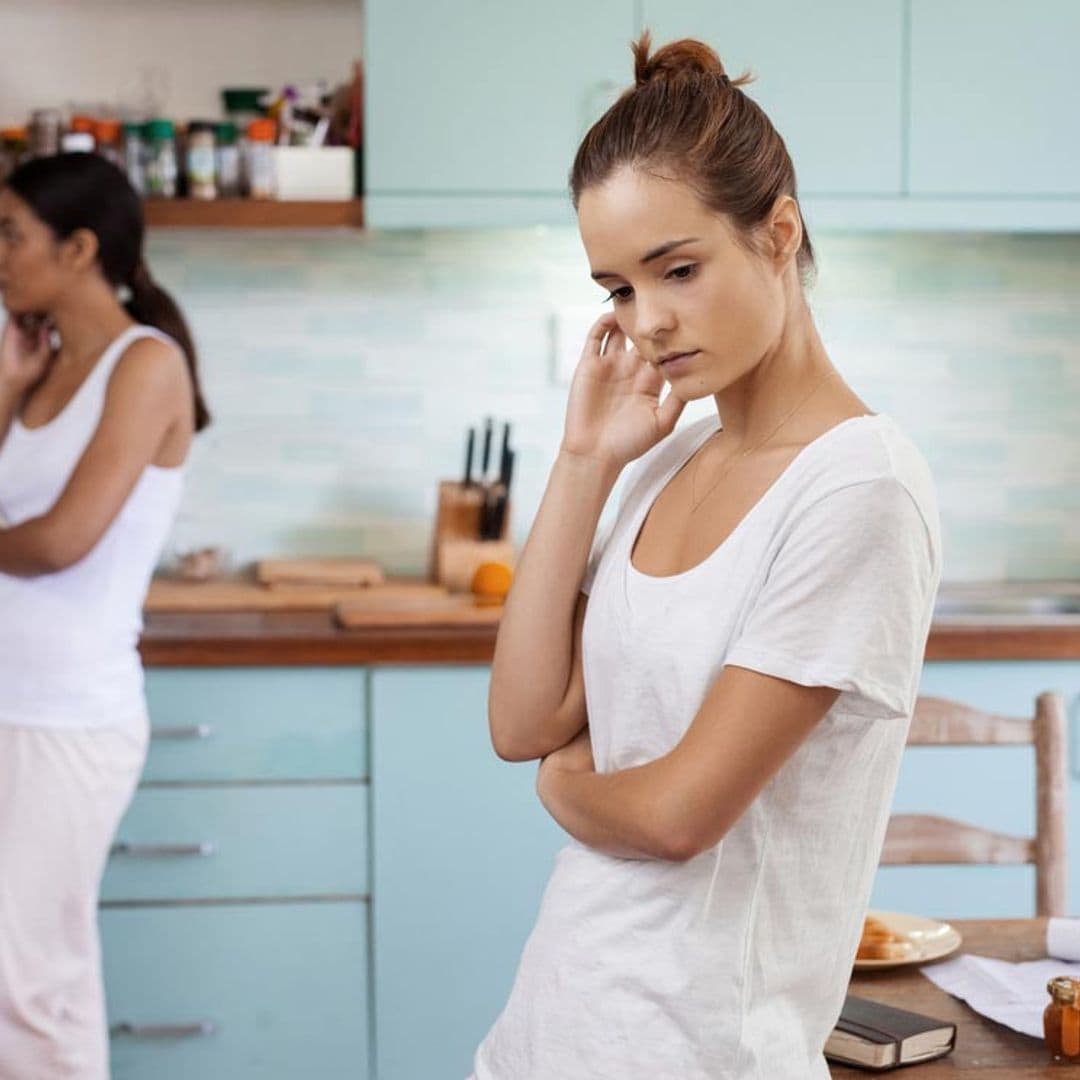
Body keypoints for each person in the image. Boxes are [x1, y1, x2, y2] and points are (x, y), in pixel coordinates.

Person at [472, 33, 941, 1080]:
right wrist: (584, 458)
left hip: (703, 1050)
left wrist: (567, 795)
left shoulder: (859, 485)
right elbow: (522, 719)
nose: (650, 322)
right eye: (619, 290)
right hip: (554, 1026)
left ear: (779, 233)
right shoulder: (663, 457)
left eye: (677, 269)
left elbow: (680, 815)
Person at [0, 152, 208, 1078]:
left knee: (26, 980)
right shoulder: (39, 366)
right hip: (16, 707)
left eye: (10, 233)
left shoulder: (146, 364)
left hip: (66, 720)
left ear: (79, 248)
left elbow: (58, 541)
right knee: (37, 975)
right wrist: (8, 391)